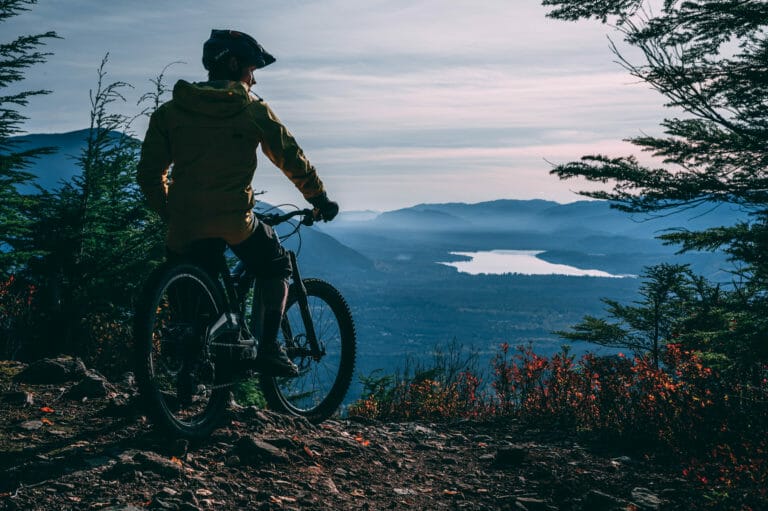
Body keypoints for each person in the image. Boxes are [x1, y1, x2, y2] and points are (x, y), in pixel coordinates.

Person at [137, 29, 339, 377]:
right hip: (234, 220)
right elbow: (290, 156)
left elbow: (149, 174)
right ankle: (271, 348)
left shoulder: (170, 112)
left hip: (184, 224)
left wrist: (170, 211)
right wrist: (319, 198)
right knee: (276, 265)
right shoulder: (251, 108)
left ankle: (187, 361)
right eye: (250, 68)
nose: (254, 76)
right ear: (233, 64)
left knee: (188, 303)